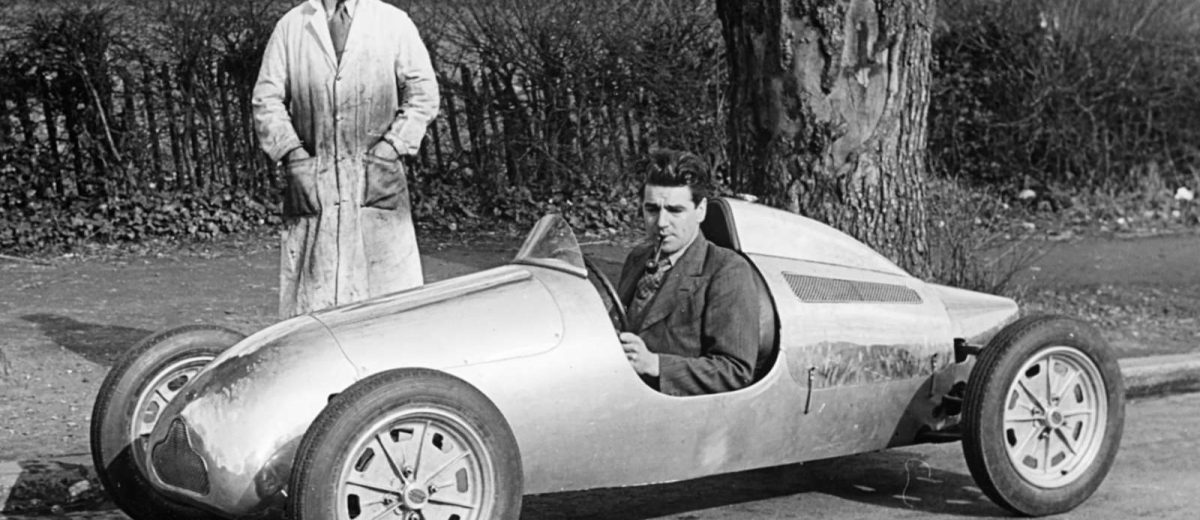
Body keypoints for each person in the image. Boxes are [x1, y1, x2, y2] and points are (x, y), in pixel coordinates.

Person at [252, 0, 439, 318]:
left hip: (377, 177)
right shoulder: (292, 25)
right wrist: (293, 155)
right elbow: (266, 99)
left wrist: (391, 148)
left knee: (387, 306)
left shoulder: (392, 21)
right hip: (313, 176)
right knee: (313, 309)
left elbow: (424, 94)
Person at [618, 150, 760, 396]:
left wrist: (656, 364)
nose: (661, 223)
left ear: (700, 210)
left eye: (675, 210)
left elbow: (736, 371)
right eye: (652, 209)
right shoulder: (638, 257)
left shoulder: (727, 270)